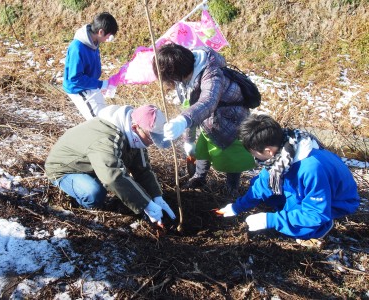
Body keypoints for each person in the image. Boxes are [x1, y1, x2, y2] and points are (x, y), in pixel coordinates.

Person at [218, 114, 360, 243]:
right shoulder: (283, 151)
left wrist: (271, 220)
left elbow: (315, 213)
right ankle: (289, 209)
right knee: (259, 184)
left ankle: (321, 229)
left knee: (301, 228)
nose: (253, 157)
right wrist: (237, 207)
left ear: (268, 151)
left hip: (336, 200)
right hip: (306, 187)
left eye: (253, 152)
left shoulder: (311, 169)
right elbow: (262, 184)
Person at [45, 104, 176, 226]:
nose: (151, 143)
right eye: (150, 138)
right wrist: (146, 205)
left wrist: (156, 196)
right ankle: (81, 204)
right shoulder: (107, 139)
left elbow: (143, 170)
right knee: (94, 193)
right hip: (65, 168)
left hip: (92, 164)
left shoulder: (133, 135)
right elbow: (112, 176)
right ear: (135, 127)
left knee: (112, 183)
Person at [153, 43, 255, 196]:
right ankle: (199, 177)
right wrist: (188, 139)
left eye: (170, 79)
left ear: (177, 74)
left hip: (231, 119)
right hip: (207, 119)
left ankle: (232, 187)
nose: (171, 84)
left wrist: (183, 121)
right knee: (203, 148)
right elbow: (189, 106)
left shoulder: (212, 74)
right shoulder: (184, 78)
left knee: (231, 156)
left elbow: (208, 101)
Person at [63, 12, 118, 120]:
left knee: (104, 113)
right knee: (98, 120)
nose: (109, 39)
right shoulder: (77, 48)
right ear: (101, 32)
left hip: (90, 83)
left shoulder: (94, 42)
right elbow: (75, 78)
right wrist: (100, 84)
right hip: (78, 89)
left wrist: (99, 85)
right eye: (109, 36)